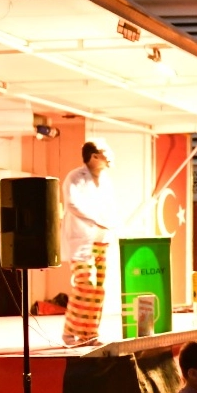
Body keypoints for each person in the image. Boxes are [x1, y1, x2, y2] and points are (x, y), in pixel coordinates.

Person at [61, 140, 118, 347]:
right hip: (81, 238)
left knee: (98, 289)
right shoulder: (75, 177)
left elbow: (110, 207)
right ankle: (69, 332)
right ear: (94, 156)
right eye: (105, 152)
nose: (110, 155)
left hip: (101, 239)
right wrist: (95, 220)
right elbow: (72, 204)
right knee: (86, 284)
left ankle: (89, 333)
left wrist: (111, 224)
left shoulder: (106, 180)